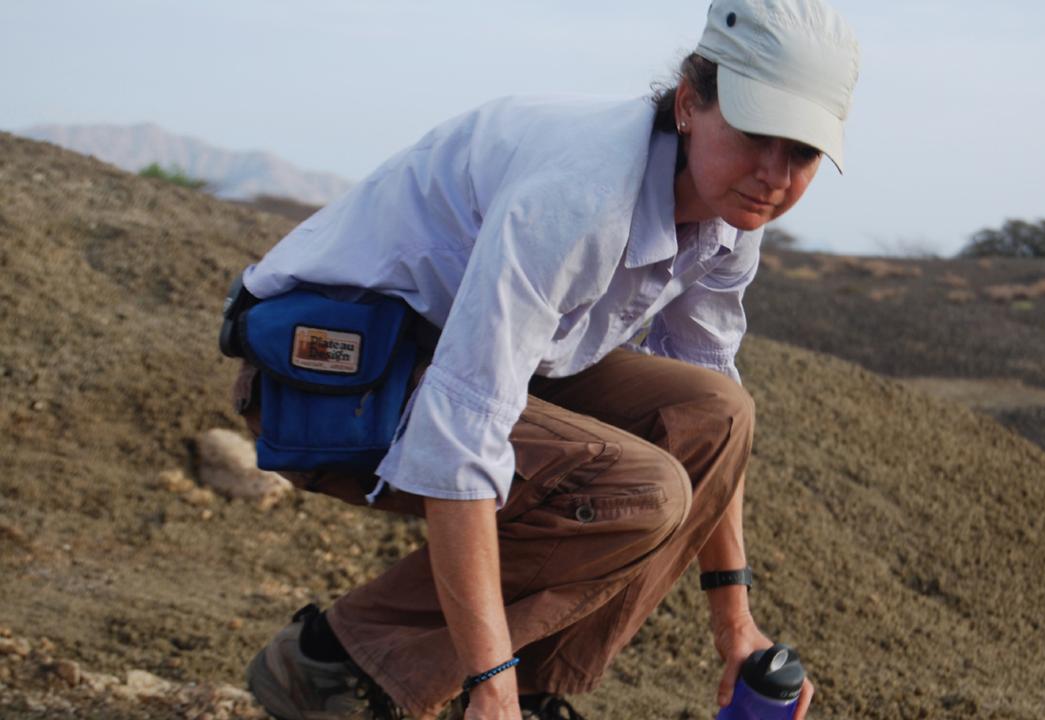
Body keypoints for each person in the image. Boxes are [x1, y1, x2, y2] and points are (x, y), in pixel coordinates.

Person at [233, 0, 858, 717]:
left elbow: (710, 395)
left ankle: (534, 691)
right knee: (640, 491)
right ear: (689, 104)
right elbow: (461, 434)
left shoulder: (732, 210)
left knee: (714, 412)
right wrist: (484, 683)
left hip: (455, 352)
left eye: (803, 153)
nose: (775, 175)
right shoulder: (578, 199)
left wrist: (736, 626)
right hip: (326, 369)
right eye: (757, 135)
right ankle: (337, 663)